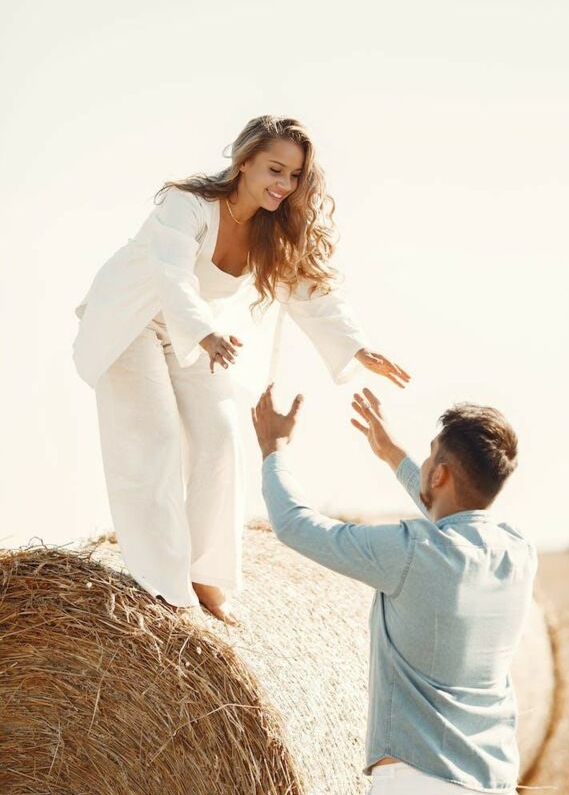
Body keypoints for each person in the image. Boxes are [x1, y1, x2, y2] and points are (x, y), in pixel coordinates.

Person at [72, 115, 410, 625]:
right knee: (154, 440)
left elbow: (310, 292)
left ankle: (205, 573)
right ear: (244, 161)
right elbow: (171, 275)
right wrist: (205, 333)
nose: (284, 185)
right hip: (131, 319)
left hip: (195, 333)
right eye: (275, 169)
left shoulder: (272, 230)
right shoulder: (186, 204)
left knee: (221, 437)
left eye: (294, 175)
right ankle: (165, 585)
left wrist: (357, 347)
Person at [251, 383, 538, 795]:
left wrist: (274, 451)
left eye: (430, 456)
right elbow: (455, 516)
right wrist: (394, 456)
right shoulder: (517, 551)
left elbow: (296, 525)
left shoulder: (411, 551)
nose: (423, 464)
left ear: (441, 473)